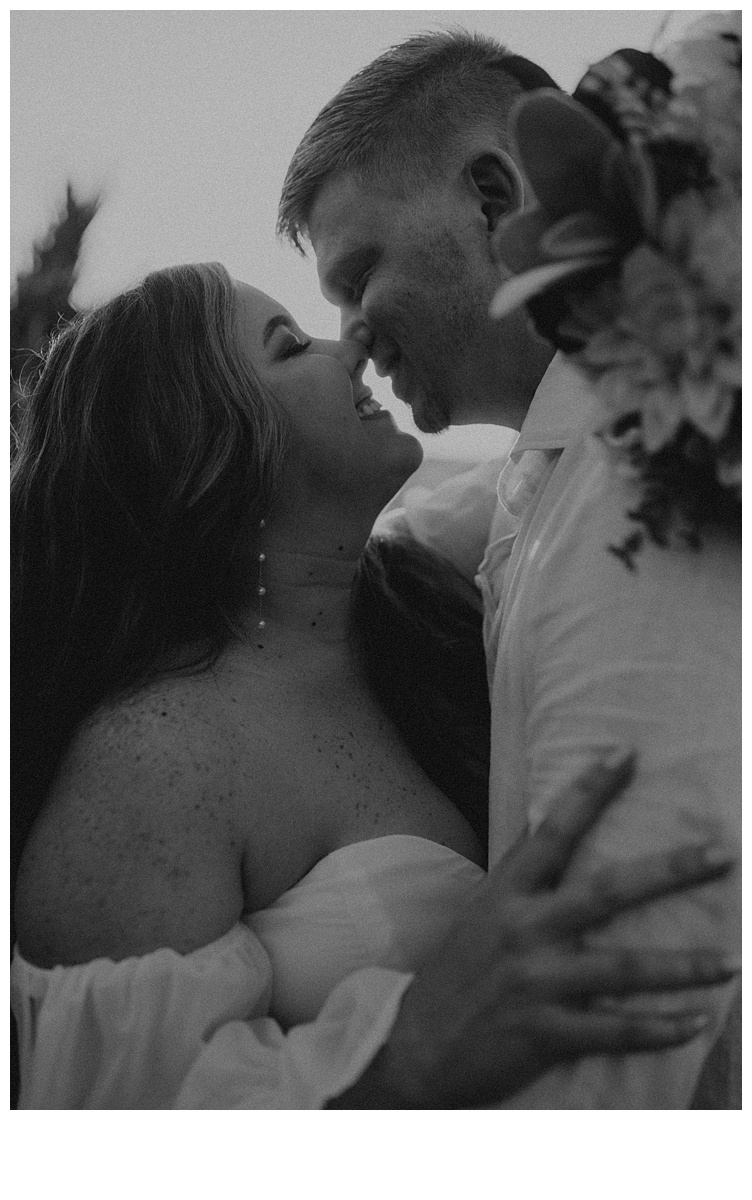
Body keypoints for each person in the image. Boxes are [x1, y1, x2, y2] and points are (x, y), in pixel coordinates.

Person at [10, 262, 737, 1109]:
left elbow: (573, 451)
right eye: (289, 346)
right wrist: (412, 1055)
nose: (350, 341)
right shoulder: (153, 760)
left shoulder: (419, 602)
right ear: (206, 445)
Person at [277, 30, 742, 1107]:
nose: (348, 336)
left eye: (358, 274)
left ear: (495, 195)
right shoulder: (544, 476)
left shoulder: (642, 490)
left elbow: (620, 1044)